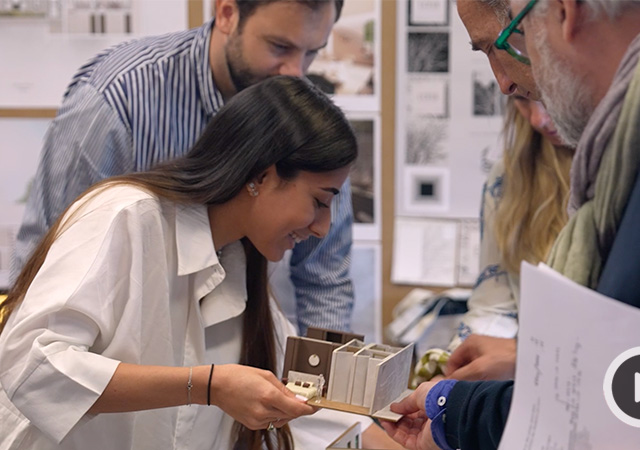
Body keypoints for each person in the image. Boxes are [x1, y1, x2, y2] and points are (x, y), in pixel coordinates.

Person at [382, 0, 640, 448]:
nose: (505, 82)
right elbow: (621, 388)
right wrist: (455, 412)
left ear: (564, 11)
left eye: (504, 44)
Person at [0, 76, 356, 450]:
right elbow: (33, 366)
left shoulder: (238, 260)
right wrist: (205, 385)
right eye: (320, 201)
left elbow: (293, 389)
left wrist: (394, 428)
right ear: (262, 176)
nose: (323, 227)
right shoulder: (124, 216)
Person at [11, 0, 352, 336]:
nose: (295, 71)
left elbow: (324, 277)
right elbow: (47, 263)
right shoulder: (118, 97)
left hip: (228, 351)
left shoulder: (304, 121)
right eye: (279, 46)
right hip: (108, 355)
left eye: (312, 53)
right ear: (227, 13)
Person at [412, 96, 573, 384]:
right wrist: (453, 372)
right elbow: (495, 305)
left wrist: (526, 357)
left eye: (549, 97)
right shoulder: (509, 179)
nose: (538, 119)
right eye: (523, 98)